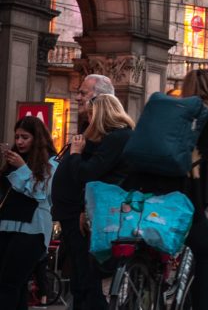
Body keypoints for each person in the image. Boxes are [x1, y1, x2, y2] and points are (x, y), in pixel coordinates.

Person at [128, 69, 208, 310]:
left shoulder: (170, 117)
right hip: (186, 203)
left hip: (146, 195)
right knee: (206, 254)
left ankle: (139, 290)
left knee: (151, 252)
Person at [59, 93, 134, 310]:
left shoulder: (116, 139)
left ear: (101, 114)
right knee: (87, 275)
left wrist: (75, 154)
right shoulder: (121, 137)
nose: (89, 121)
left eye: (92, 116)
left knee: (90, 276)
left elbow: (89, 173)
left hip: (104, 213)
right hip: (100, 210)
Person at [49, 74, 114, 310]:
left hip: (81, 220)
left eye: (83, 93)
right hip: (70, 218)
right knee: (79, 281)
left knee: (87, 283)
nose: (78, 98)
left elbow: (92, 175)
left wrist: (85, 209)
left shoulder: (103, 133)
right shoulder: (89, 129)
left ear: (100, 98)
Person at [0, 116, 59, 310]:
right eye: (17, 137)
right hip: (6, 224)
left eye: (25, 137)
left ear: (37, 138)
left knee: (9, 283)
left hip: (32, 229)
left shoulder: (51, 161)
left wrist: (22, 168)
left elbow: (42, 191)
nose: (19, 142)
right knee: (16, 284)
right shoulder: (13, 159)